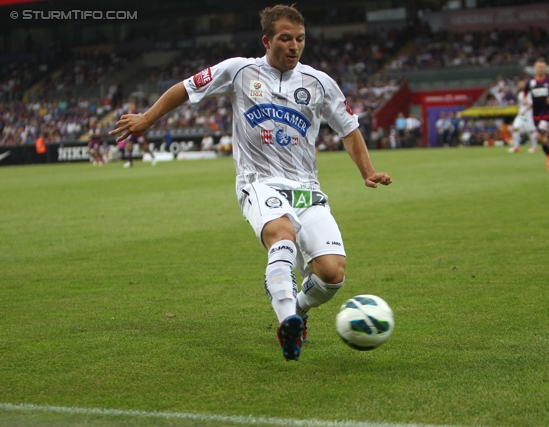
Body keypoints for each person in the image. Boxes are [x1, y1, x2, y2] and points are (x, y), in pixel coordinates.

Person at [110, 4, 392, 362]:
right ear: (267, 40)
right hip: (259, 183)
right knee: (282, 234)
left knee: (332, 275)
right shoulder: (238, 70)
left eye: (300, 39)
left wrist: (367, 171)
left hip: (307, 189)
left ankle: (299, 311)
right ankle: (286, 317)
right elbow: (185, 87)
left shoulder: (320, 83)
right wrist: (147, 118)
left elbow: (349, 129)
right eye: (285, 38)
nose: (294, 46)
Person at [524, 58, 549, 171]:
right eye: (538, 67)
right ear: (535, 68)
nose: (540, 69)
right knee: (543, 139)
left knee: (538, 136)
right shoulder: (530, 82)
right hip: (535, 114)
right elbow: (524, 94)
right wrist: (524, 100)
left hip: (547, 113)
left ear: (545, 68)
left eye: (542, 67)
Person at [122, 102, 156, 168]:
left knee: (145, 147)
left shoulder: (137, 113)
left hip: (139, 134)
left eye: (132, 105)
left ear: (134, 106)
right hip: (133, 134)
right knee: (128, 146)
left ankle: (153, 157)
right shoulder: (129, 113)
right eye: (130, 105)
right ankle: (130, 162)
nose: (130, 106)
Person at [509, 80, 538, 154]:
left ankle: (535, 147)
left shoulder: (530, 93)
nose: (520, 85)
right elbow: (522, 104)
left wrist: (525, 110)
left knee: (531, 131)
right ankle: (516, 147)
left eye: (522, 84)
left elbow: (532, 104)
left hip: (529, 114)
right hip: (521, 115)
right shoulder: (520, 94)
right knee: (515, 128)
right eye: (519, 84)